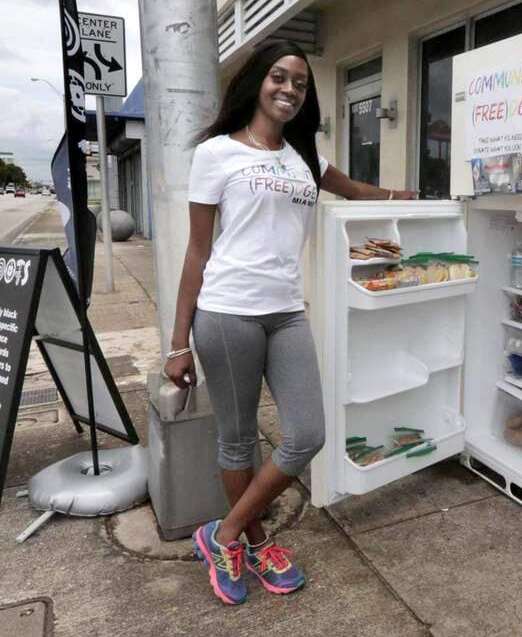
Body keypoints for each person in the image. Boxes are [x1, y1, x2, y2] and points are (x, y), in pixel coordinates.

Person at [163, 40, 415, 606]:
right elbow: (197, 252)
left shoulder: (304, 158)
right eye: (280, 77)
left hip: (285, 311)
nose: (290, 89)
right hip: (227, 311)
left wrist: (407, 195)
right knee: (236, 438)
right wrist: (176, 345)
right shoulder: (216, 154)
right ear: (257, 82)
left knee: (307, 433)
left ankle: (222, 532)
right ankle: (251, 543)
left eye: (300, 83)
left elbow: (353, 191)